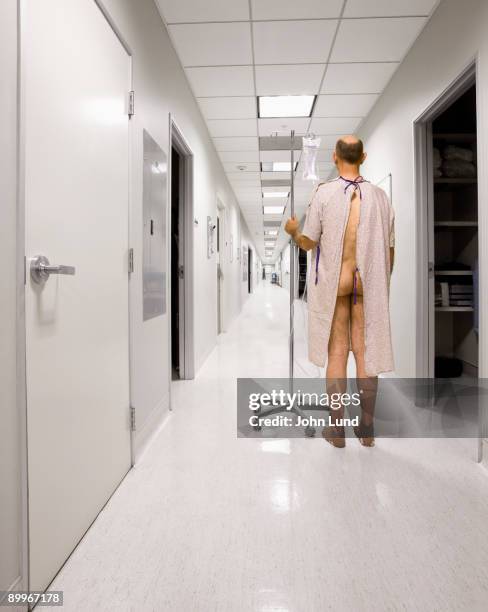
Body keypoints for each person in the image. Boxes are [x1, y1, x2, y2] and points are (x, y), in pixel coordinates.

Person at [285, 135, 395, 448]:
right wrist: (381, 284)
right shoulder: (380, 196)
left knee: (337, 353)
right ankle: (367, 428)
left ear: (334, 157)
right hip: (367, 285)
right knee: (365, 354)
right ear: (364, 156)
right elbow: (390, 249)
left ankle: (337, 431)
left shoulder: (323, 193)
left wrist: (294, 232)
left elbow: (309, 242)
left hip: (337, 285)